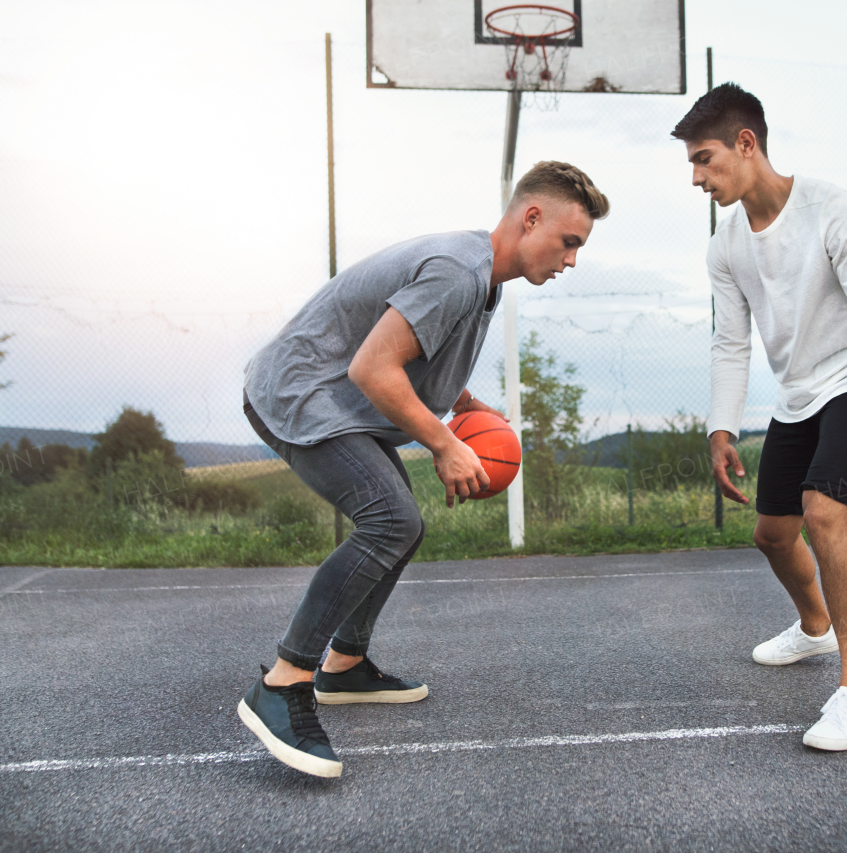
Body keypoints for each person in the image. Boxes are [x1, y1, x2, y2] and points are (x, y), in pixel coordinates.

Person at [238, 161, 610, 777]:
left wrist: (461, 403)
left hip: (337, 398)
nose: (571, 260)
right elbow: (373, 368)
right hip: (301, 392)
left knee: (400, 523)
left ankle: (345, 665)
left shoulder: (482, 275)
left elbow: (413, 351)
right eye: (569, 242)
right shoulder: (457, 272)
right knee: (389, 519)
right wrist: (444, 443)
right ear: (531, 217)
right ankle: (282, 683)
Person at [671, 84, 847, 752]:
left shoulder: (832, 210)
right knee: (771, 532)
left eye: (704, 159)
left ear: (745, 144)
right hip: (797, 393)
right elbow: (731, 341)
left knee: (823, 514)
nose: (697, 177)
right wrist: (720, 430)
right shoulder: (725, 246)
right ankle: (815, 625)